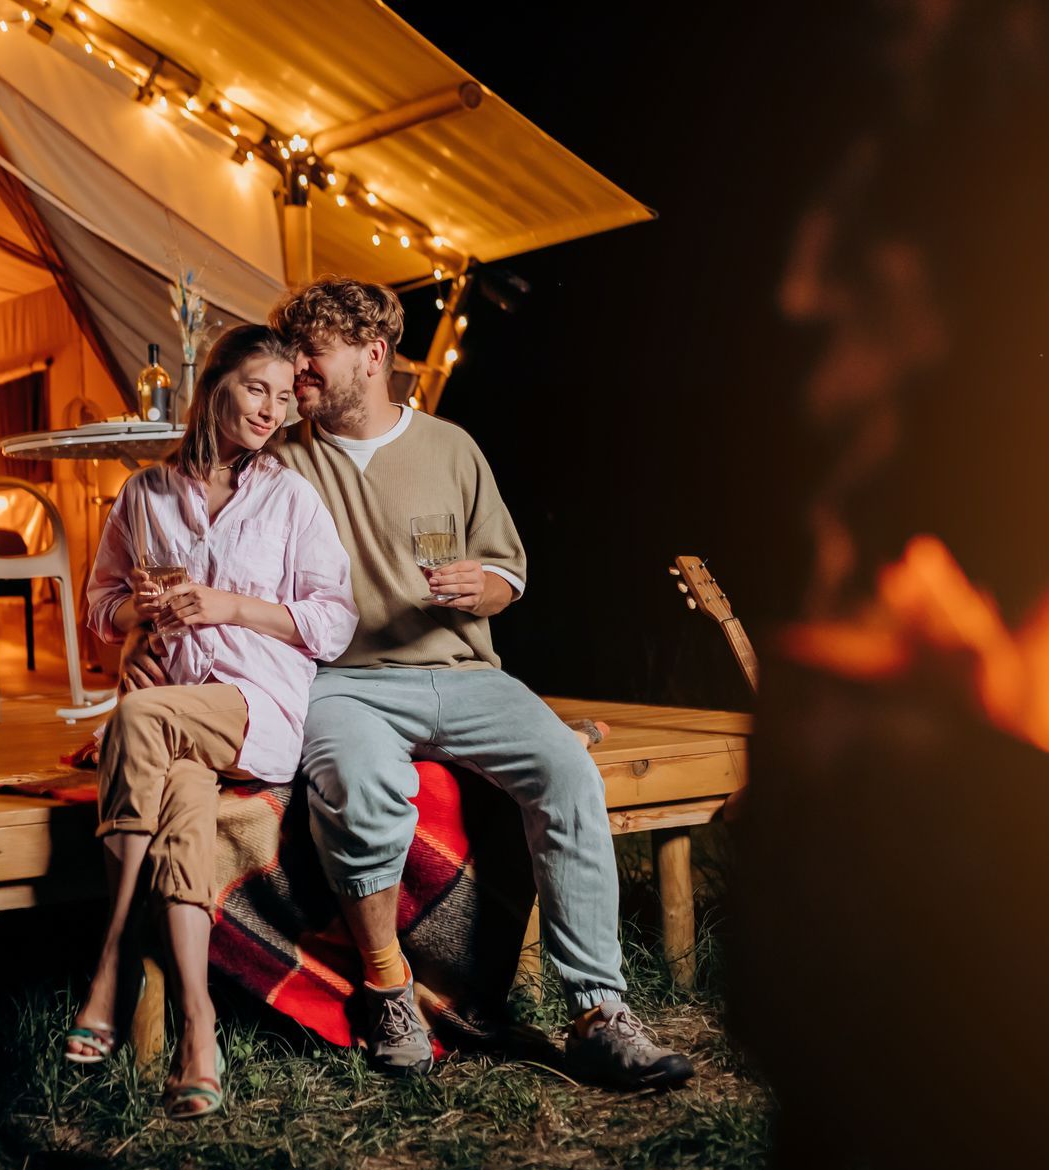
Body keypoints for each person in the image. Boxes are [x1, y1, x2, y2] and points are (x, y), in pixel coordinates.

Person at [127, 277, 693, 1088]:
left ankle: (600, 1012)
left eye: (312, 358)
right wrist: (147, 641)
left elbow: (509, 571)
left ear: (374, 355)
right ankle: (389, 988)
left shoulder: (453, 449)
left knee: (568, 775)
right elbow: (191, 524)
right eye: (290, 363)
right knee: (360, 787)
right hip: (342, 682)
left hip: (463, 674)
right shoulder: (279, 457)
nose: (299, 375)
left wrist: (484, 586)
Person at [69, 324, 358, 1119]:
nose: (271, 410)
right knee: (183, 810)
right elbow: (101, 604)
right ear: (216, 387)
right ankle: (199, 1032)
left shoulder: (290, 497)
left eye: (281, 395)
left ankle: (115, 963)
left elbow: (334, 620)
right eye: (255, 389)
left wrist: (230, 606)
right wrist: (137, 622)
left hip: (254, 702)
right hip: (178, 713)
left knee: (138, 718)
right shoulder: (145, 494)